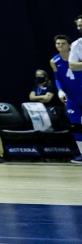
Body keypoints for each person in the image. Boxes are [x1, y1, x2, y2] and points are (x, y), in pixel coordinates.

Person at [54, 31, 82, 162]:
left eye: (63, 43)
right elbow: (57, 78)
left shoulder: (77, 57)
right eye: (58, 44)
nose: (60, 46)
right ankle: (81, 153)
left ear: (69, 45)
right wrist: (60, 90)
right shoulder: (54, 61)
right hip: (72, 97)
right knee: (75, 125)